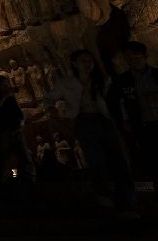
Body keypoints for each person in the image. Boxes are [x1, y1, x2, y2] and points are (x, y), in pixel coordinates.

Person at [46, 50, 136, 212]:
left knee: (117, 156)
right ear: (74, 63)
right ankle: (105, 195)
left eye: (90, 61)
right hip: (83, 119)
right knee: (95, 158)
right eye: (83, 61)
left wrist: (123, 118)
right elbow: (49, 98)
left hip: (104, 119)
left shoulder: (103, 80)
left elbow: (116, 101)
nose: (88, 64)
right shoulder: (67, 83)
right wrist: (55, 111)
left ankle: (127, 196)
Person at [110, 41, 158, 183]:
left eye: (137, 57)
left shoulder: (156, 74)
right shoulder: (121, 81)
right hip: (143, 125)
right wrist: (124, 121)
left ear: (145, 56)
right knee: (152, 159)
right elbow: (116, 103)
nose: (133, 61)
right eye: (129, 58)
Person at [0, 74, 35, 182]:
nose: (7, 86)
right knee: (2, 159)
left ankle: (30, 181)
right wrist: (6, 95)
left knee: (25, 156)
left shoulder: (9, 97)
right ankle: (2, 184)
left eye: (6, 84)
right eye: (4, 84)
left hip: (16, 130)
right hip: (2, 132)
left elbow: (16, 110)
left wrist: (21, 120)